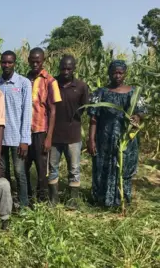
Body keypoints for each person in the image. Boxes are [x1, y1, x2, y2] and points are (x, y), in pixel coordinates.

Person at [87, 60, 146, 207]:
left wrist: (137, 117)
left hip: (126, 139)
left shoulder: (134, 92)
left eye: (120, 73)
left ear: (125, 74)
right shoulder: (100, 92)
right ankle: (102, 200)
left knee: (123, 167)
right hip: (104, 139)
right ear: (109, 73)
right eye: (114, 72)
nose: (117, 75)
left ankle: (121, 200)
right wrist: (91, 140)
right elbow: (93, 118)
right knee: (103, 166)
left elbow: (142, 111)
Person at [0, 50, 32, 208]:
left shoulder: (23, 83)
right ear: (0, 63)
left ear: (15, 63)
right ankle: (7, 204)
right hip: (0, 138)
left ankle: (23, 204)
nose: (6, 65)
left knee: (19, 172)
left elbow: (27, 113)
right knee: (3, 172)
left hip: (17, 138)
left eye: (10, 62)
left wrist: (25, 140)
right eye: (4, 62)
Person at [49, 55, 89, 207]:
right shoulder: (52, 83)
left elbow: (84, 108)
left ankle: (73, 200)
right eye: (63, 68)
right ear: (59, 67)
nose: (65, 71)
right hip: (54, 135)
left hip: (73, 135)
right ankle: (53, 199)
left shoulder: (81, 86)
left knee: (74, 169)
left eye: (69, 68)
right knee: (53, 168)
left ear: (74, 69)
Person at [26, 47, 62, 202]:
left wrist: (49, 137)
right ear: (28, 61)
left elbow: (53, 111)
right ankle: (27, 197)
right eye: (32, 61)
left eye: (38, 61)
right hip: (26, 132)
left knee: (42, 169)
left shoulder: (50, 81)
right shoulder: (25, 79)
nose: (35, 64)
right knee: (24, 167)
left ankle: (42, 200)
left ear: (43, 61)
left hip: (41, 131)